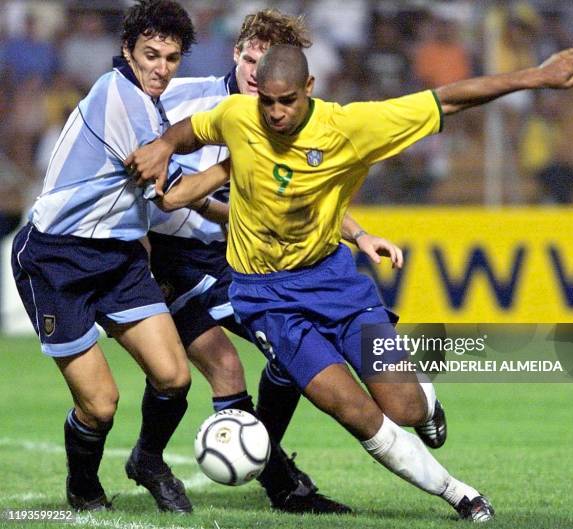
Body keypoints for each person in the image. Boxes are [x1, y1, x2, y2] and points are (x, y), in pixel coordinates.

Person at [128, 44, 573, 522]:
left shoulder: (349, 128)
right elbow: (195, 129)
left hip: (335, 286)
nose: (274, 112)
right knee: (354, 412)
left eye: (286, 100)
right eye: (266, 101)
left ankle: (427, 404)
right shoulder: (239, 114)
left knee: (405, 407)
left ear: (309, 89)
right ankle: (459, 493)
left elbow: (448, 99)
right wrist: (165, 145)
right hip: (267, 300)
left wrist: (536, 78)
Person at [148, 8, 402, 513]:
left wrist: (358, 232)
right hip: (172, 256)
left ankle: (249, 466)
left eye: (264, 64)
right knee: (220, 366)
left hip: (234, 260)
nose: (253, 72)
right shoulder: (184, 99)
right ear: (236, 54)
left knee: (289, 353)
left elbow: (305, 203)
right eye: (247, 59)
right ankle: (278, 482)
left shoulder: (285, 123)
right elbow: (151, 161)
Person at [10, 0, 201, 513]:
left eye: (172, 58)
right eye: (151, 54)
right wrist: (239, 168)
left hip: (117, 258)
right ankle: (83, 487)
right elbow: (170, 195)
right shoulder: (120, 97)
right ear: (127, 51)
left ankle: (147, 460)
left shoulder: (149, 102)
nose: (161, 67)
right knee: (100, 405)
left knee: (174, 377)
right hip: (56, 260)